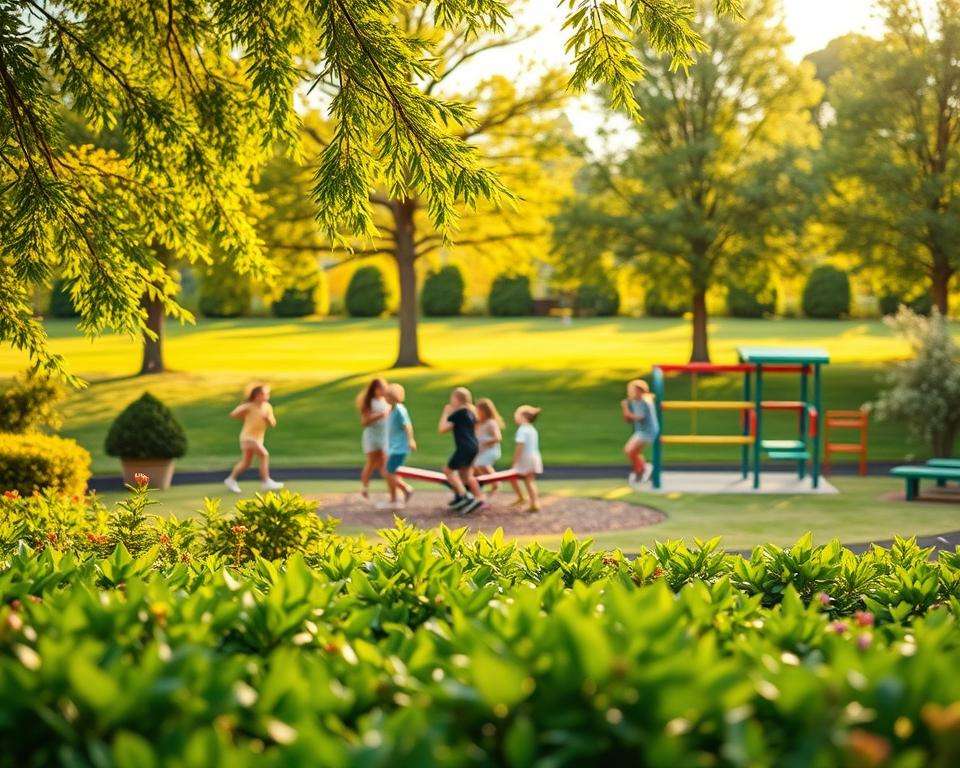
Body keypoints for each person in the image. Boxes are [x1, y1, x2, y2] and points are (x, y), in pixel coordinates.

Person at [224, 384, 284, 493]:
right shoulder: (249, 406)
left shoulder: (267, 407)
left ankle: (231, 479)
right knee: (264, 454)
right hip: (247, 437)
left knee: (246, 463)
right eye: (264, 394)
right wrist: (244, 416)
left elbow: (273, 423)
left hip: (258, 438)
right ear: (257, 395)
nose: (267, 396)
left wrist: (268, 418)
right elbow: (233, 414)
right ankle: (266, 481)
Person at [438, 387, 484, 514]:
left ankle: (465, 496)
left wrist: (446, 412)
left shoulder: (459, 413)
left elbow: (442, 429)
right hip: (474, 446)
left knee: (448, 470)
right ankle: (477, 498)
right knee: (466, 475)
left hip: (464, 447)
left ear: (457, 399)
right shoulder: (471, 412)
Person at [383, 382, 416, 509]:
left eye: (387, 396)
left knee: (389, 472)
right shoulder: (391, 410)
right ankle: (395, 498)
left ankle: (406, 490)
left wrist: (411, 440)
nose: (385, 398)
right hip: (393, 447)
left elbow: (407, 426)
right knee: (391, 472)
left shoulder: (399, 409)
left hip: (400, 448)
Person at [621, 378, 659, 488]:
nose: (631, 393)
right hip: (641, 431)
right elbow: (627, 420)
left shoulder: (642, 401)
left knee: (629, 450)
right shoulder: (636, 401)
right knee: (633, 452)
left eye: (634, 390)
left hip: (647, 431)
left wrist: (625, 408)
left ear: (640, 391)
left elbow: (639, 417)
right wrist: (626, 410)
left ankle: (643, 470)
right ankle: (641, 470)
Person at [357, 377, 390, 500]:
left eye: (384, 388)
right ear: (374, 389)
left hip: (384, 437)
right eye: (380, 388)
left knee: (385, 466)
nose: (382, 391)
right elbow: (364, 421)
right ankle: (365, 489)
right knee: (371, 464)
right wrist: (380, 415)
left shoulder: (386, 401)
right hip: (372, 437)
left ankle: (394, 491)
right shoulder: (369, 402)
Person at [508, 405, 543, 512]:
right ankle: (534, 502)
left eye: (517, 414)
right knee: (529, 480)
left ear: (524, 416)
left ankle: (522, 497)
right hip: (534, 457)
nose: (515, 417)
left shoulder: (522, 430)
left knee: (512, 476)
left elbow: (520, 446)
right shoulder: (532, 429)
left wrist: (515, 460)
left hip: (525, 458)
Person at [473, 397, 504, 492]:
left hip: (491, 451)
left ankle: (496, 483)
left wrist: (484, 442)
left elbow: (498, 438)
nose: (477, 413)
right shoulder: (478, 424)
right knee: (473, 467)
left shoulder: (491, 423)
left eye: (478, 411)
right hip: (480, 452)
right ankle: (476, 488)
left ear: (485, 411)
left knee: (481, 464)